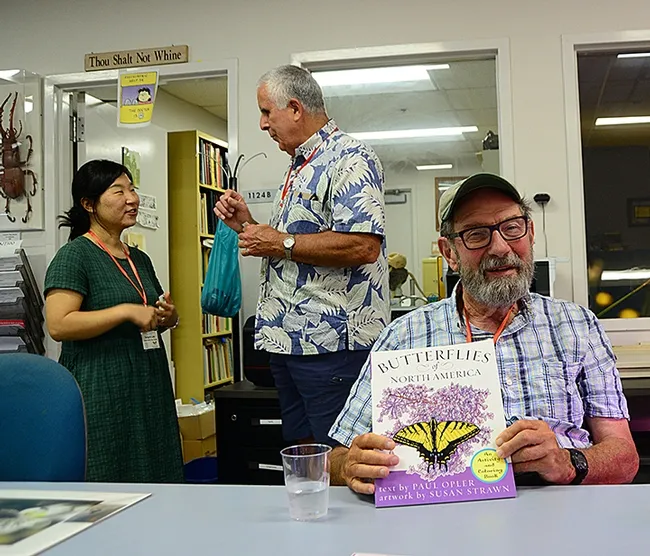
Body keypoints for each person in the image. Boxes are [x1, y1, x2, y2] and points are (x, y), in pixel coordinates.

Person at [328, 172, 639, 493]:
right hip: (441, 509)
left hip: (559, 500)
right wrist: (350, 465)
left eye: (512, 227)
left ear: (530, 233)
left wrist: (568, 462)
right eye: (477, 234)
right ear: (449, 253)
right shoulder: (403, 336)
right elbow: (336, 456)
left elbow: (624, 457)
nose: (501, 247)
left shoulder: (576, 325)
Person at [214, 65, 389, 445]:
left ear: (294, 108)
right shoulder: (299, 166)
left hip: (332, 348)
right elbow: (289, 246)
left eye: (266, 112)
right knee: (304, 459)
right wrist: (247, 225)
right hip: (290, 344)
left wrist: (278, 242)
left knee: (340, 462)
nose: (262, 124)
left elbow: (363, 245)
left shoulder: (350, 157)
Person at [44, 159, 183, 483]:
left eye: (132, 189)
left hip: (148, 386)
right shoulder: (75, 255)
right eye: (118, 191)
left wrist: (168, 317)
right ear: (88, 203)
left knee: (157, 472)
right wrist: (124, 311)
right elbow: (59, 325)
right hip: (102, 388)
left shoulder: (139, 258)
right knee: (110, 474)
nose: (131, 198)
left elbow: (152, 313)